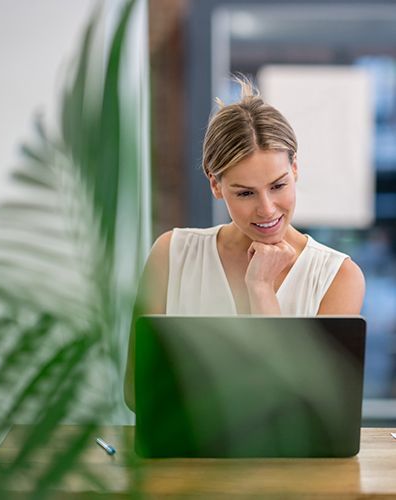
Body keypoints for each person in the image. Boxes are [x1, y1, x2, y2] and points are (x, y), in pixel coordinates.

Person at [124, 75, 365, 411]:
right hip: (183, 462)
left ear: (294, 169)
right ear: (216, 185)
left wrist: (262, 290)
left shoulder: (338, 276)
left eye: (278, 186)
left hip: (294, 466)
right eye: (245, 193)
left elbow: (307, 412)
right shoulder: (172, 254)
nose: (267, 209)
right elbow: (137, 393)